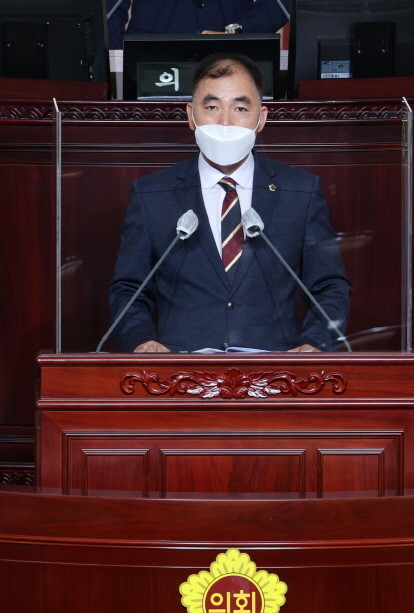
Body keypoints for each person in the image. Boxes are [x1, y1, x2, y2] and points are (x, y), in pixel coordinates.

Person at [109, 53, 351, 353]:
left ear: (261, 118)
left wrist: (314, 344)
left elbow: (329, 286)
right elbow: (128, 289)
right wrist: (142, 341)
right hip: (179, 369)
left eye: (240, 108)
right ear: (191, 115)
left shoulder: (300, 191)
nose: (225, 122)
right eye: (212, 107)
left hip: (277, 368)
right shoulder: (152, 194)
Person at [106, 0, 291, 49]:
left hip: (234, 52)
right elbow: (106, 9)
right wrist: (115, 57)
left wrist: (244, 32)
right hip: (149, 52)